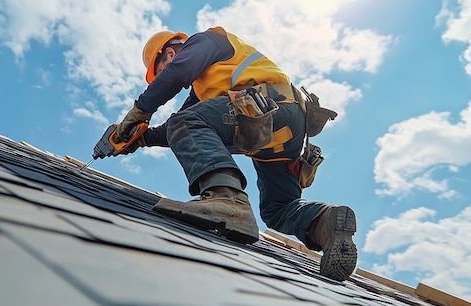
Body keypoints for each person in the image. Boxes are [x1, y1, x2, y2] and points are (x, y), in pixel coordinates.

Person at [115, 27, 357, 281]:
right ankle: (325, 222)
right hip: (279, 131)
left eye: (161, 71)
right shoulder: (205, 86)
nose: (163, 79)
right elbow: (177, 126)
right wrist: (140, 138)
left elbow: (178, 77)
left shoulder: (206, 41)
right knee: (277, 209)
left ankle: (228, 199)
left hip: (270, 108)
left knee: (186, 121)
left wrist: (139, 113)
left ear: (171, 52)